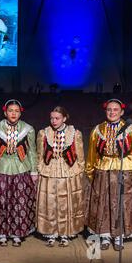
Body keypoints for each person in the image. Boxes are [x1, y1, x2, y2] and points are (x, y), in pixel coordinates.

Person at [85, 98, 132, 251]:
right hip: (103, 170)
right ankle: (105, 234)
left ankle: (119, 235)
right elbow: (92, 154)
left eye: (115, 110)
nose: (112, 112)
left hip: (124, 170)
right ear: (105, 111)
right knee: (104, 203)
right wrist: (90, 172)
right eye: (109, 109)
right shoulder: (98, 130)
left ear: (122, 112)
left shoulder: (131, 129)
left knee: (121, 203)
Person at [0, 99, 37, 247]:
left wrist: (34, 171)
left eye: (16, 111)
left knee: (19, 201)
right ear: (5, 112)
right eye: (10, 111)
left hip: (21, 168)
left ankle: (17, 232)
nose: (13, 114)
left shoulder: (28, 129)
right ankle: (1, 232)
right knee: (1, 201)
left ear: (20, 112)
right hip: (1, 168)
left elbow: (32, 152)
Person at [36, 106, 85, 247]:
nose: (54, 121)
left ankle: (65, 233)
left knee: (65, 203)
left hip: (67, 170)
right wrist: (40, 169)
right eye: (51, 118)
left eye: (57, 118)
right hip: (49, 170)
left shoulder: (74, 133)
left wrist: (80, 170)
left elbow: (80, 154)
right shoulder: (44, 133)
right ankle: (51, 233)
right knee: (50, 203)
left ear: (64, 118)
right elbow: (40, 154)